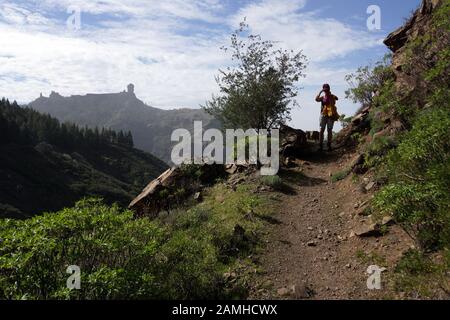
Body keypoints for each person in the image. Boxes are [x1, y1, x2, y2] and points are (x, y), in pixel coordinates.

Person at [315, 83, 338, 151]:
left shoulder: (332, 96)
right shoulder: (322, 97)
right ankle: (320, 146)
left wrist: (330, 96)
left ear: (329, 89)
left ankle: (329, 146)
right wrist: (320, 92)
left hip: (330, 115)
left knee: (329, 130)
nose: (326, 91)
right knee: (321, 130)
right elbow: (316, 99)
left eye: (327, 89)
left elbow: (336, 99)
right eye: (325, 89)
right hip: (323, 114)